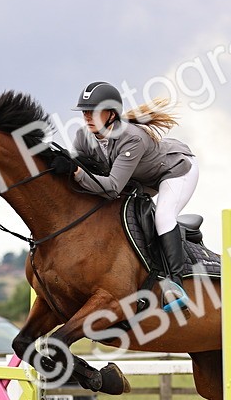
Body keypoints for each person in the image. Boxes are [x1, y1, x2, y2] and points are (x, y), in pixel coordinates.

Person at [70, 81, 199, 310]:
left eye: (94, 112)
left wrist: (77, 173)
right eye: (85, 112)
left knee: (164, 216)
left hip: (175, 170)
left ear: (111, 114)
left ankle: (176, 285)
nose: (88, 117)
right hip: (140, 179)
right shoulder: (84, 136)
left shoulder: (132, 137)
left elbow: (111, 187)